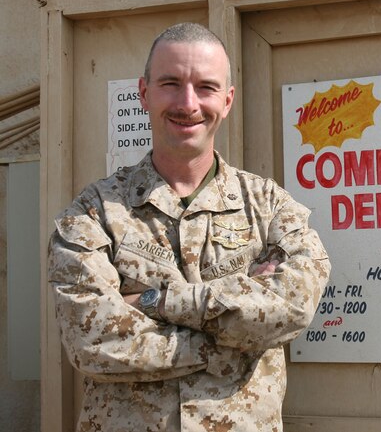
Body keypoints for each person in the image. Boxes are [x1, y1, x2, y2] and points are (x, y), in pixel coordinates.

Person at [48, 22, 330, 431]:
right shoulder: (93, 214)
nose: (188, 103)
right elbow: (92, 340)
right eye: (170, 83)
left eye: (206, 87)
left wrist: (153, 303)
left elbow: (292, 307)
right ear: (144, 93)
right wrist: (233, 342)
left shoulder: (270, 207)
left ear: (228, 100)